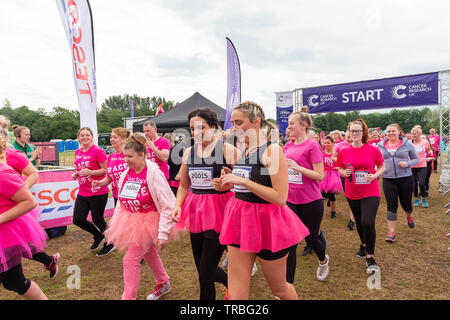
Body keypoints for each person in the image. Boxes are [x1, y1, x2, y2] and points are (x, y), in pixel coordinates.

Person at [218, 101, 310, 300]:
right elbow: (250, 184)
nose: (234, 128)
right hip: (240, 222)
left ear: (256, 122)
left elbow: (280, 197)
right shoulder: (246, 150)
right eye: (233, 123)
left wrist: (242, 180)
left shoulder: (273, 151)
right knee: (236, 295)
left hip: (268, 225)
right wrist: (231, 182)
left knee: (280, 290)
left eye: (238, 122)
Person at [171, 107, 239, 300]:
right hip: (196, 212)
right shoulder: (189, 152)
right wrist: (178, 206)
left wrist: (229, 184)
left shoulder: (227, 149)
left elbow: (247, 181)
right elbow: (184, 186)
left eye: (201, 127)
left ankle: (230, 283)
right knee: (203, 272)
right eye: (192, 128)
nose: (196, 132)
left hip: (220, 211)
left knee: (205, 272)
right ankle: (228, 284)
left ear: (214, 127)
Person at [104, 133, 176, 300]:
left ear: (142, 155)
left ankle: (128, 297)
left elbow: (168, 205)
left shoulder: (154, 174)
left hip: (150, 222)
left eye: (130, 156)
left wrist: (163, 233)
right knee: (149, 253)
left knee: (129, 260)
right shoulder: (125, 174)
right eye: (125, 156)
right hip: (131, 220)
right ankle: (163, 281)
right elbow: (121, 201)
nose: (126, 160)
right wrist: (115, 225)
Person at [283, 107, 329, 283]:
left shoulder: (312, 145)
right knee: (291, 242)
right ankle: (288, 287)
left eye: (291, 123)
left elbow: (319, 176)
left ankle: (323, 260)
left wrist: (297, 167)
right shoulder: (287, 145)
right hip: (290, 200)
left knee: (310, 238)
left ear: (303, 125)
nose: (289, 127)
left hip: (311, 200)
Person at [0, 135, 48, 299]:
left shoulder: (3, 173)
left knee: (15, 281)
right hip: (5, 240)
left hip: (4, 237)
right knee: (15, 282)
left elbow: (28, 201)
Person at [337, 118, 385, 272]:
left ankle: (370, 257)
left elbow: (382, 166)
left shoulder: (373, 149)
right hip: (352, 191)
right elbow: (339, 168)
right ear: (349, 133)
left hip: (371, 190)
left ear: (363, 132)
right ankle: (364, 244)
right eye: (352, 131)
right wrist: (344, 173)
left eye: (358, 130)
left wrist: (375, 175)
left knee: (368, 222)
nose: (355, 133)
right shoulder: (344, 150)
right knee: (358, 221)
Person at [92, 127, 131, 256]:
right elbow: (109, 177)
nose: (112, 139)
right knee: (121, 224)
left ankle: (139, 250)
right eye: (111, 137)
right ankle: (112, 243)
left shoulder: (130, 153)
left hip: (132, 196)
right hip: (117, 196)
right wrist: (100, 182)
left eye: (115, 137)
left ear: (124, 139)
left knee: (129, 225)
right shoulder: (112, 157)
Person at [377, 124, 419, 242]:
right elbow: (377, 160)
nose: (390, 133)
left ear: (399, 131)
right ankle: (391, 232)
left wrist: (408, 164)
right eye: (388, 131)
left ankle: (409, 215)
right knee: (391, 205)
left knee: (406, 204)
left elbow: (416, 159)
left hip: (405, 178)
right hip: (388, 179)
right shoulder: (380, 145)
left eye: (393, 131)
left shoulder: (407, 144)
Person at [72, 127, 110, 253]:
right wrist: (77, 173)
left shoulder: (97, 151)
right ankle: (98, 236)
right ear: (78, 137)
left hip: (98, 190)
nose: (84, 137)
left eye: (87, 135)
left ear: (92, 136)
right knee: (77, 219)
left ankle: (111, 241)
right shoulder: (78, 151)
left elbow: (105, 170)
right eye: (82, 135)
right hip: (83, 191)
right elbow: (81, 167)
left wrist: (91, 172)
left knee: (97, 219)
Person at [332, 129, 356, 230]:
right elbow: (333, 157)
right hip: (345, 174)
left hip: (359, 175)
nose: (349, 138)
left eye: (351, 135)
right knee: (350, 196)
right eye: (348, 136)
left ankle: (355, 217)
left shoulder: (360, 145)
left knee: (358, 196)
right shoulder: (340, 145)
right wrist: (343, 162)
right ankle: (353, 218)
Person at [320, 136, 343, 219]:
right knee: (323, 194)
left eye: (328, 143)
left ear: (333, 143)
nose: (326, 144)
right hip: (325, 174)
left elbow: (341, 162)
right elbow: (321, 164)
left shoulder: (335, 153)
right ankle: (328, 198)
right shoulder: (323, 153)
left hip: (333, 174)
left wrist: (338, 167)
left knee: (332, 194)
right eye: (325, 143)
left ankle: (333, 211)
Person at [410, 125, 432, 208]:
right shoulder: (409, 142)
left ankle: (423, 198)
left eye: (414, 134)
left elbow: (429, 149)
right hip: (412, 166)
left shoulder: (425, 142)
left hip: (422, 165)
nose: (413, 135)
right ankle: (416, 198)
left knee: (422, 183)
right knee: (414, 183)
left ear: (419, 134)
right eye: (412, 134)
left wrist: (430, 153)